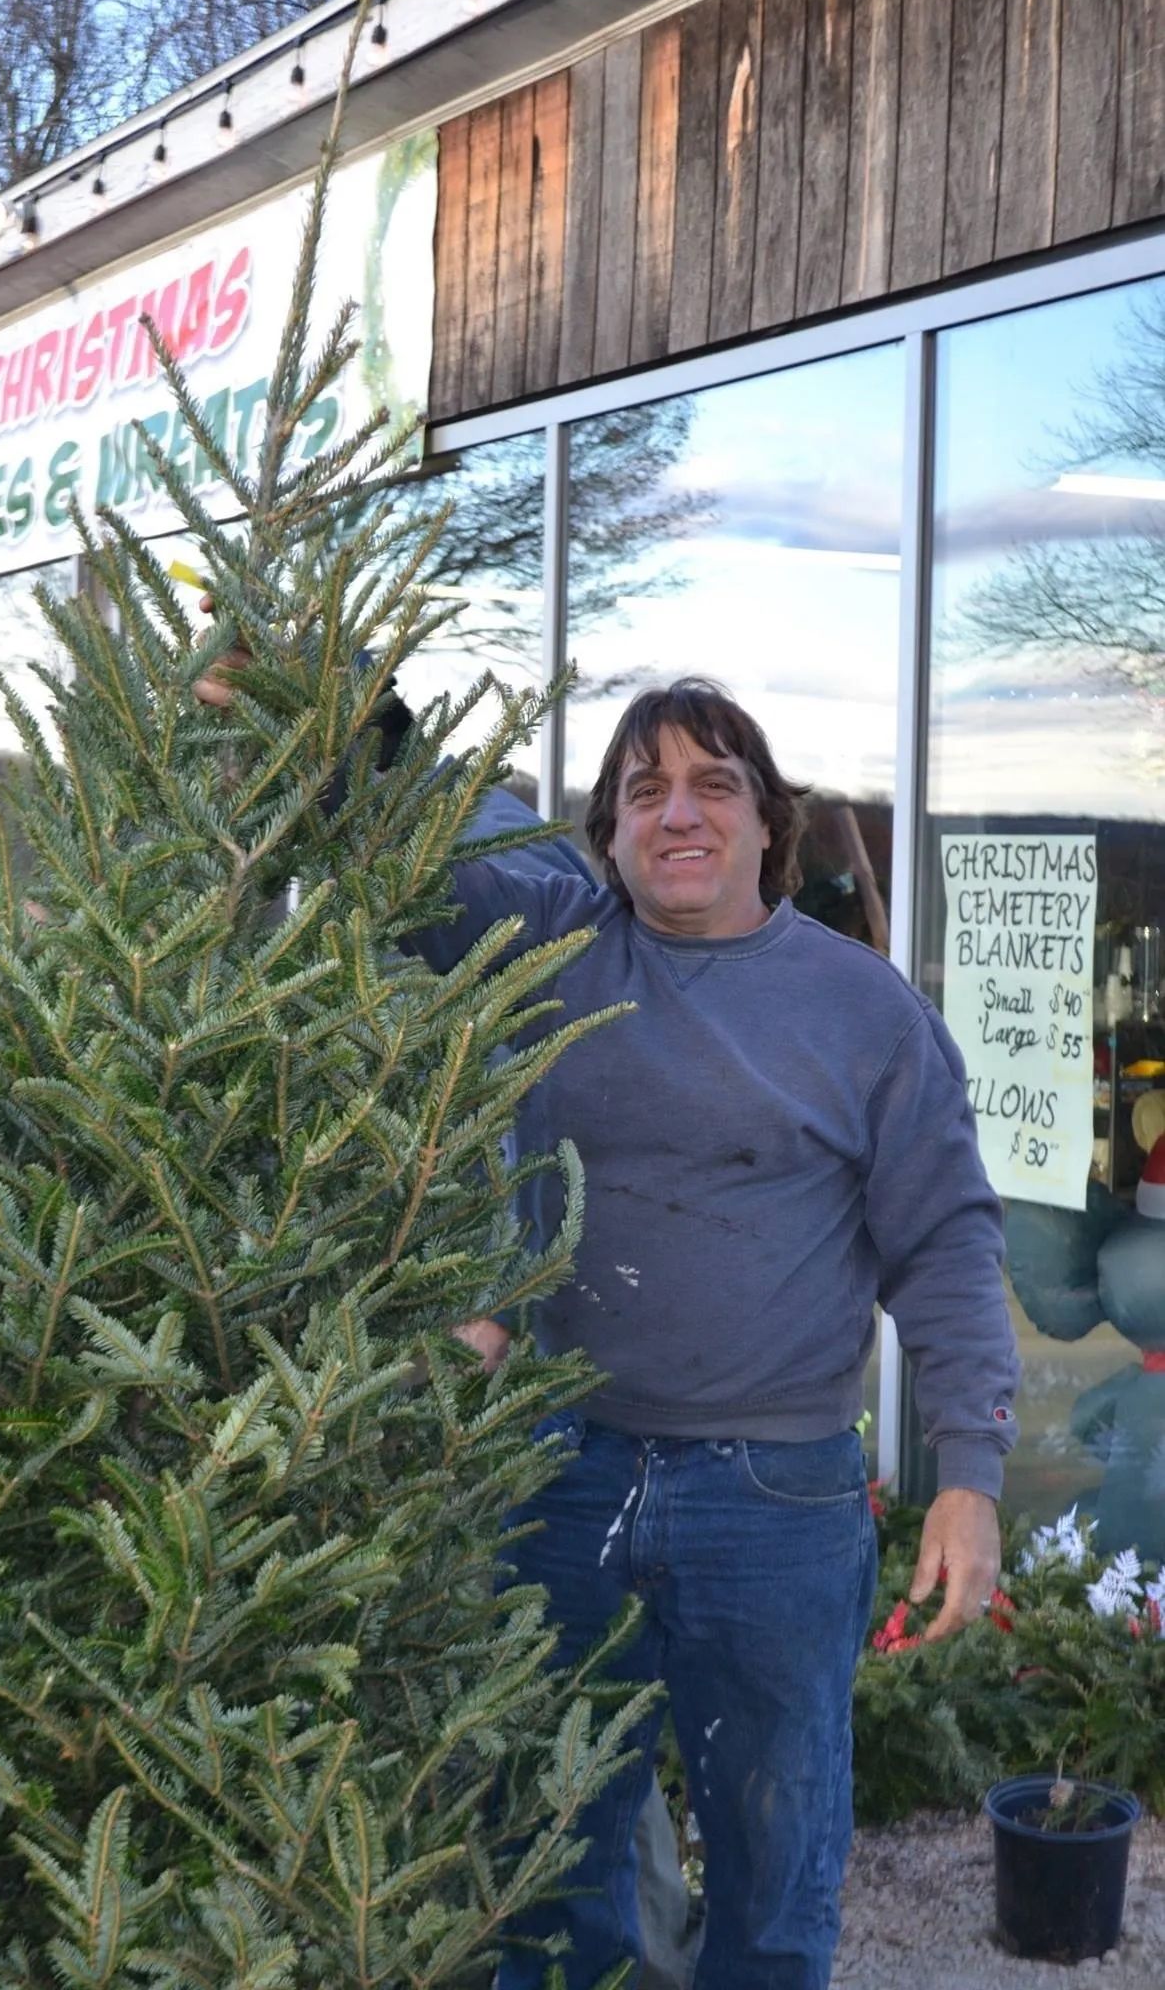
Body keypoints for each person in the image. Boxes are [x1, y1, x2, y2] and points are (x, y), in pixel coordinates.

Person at [198, 646, 1018, 1990]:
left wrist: (968, 1477)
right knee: (548, 1858)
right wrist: (330, 699)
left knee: (774, 1870)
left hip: (775, 1498)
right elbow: (409, 842)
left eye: (711, 784)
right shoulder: (547, 950)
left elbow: (942, 1243)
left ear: (766, 820)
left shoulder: (863, 1010)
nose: (676, 811)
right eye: (642, 792)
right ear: (607, 834)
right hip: (560, 1475)